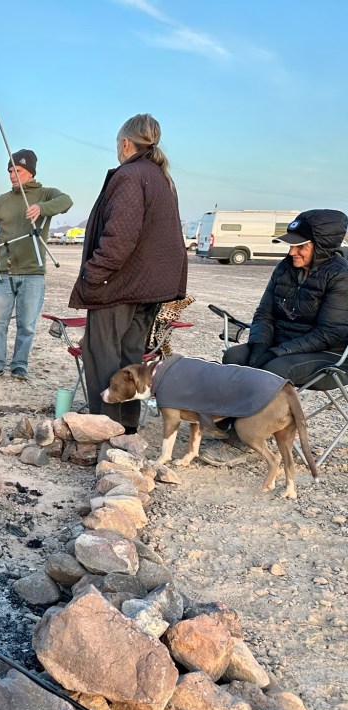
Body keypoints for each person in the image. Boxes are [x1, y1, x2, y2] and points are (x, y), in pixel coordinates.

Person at [68, 113, 187, 434]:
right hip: (150, 289)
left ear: (125, 144)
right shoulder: (161, 178)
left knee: (101, 355)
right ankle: (127, 430)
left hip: (119, 285)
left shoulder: (130, 175)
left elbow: (120, 236)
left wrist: (94, 274)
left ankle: (105, 430)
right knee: (129, 358)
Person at [201, 208, 348, 466]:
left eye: (301, 246)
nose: (292, 252)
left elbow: (329, 333)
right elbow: (264, 313)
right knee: (235, 357)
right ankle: (230, 422)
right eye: (291, 245)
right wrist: (260, 345)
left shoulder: (340, 275)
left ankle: (242, 440)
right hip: (282, 346)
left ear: (322, 247)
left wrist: (276, 352)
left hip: (328, 354)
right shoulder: (284, 268)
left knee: (274, 369)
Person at [0, 149, 73, 381]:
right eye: (9, 171)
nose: (12, 175)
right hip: (4, 273)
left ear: (30, 172)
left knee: (27, 325)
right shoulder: (3, 200)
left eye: (17, 170)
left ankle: (19, 365)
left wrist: (42, 208)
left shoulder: (46, 194)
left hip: (33, 273)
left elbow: (67, 201)